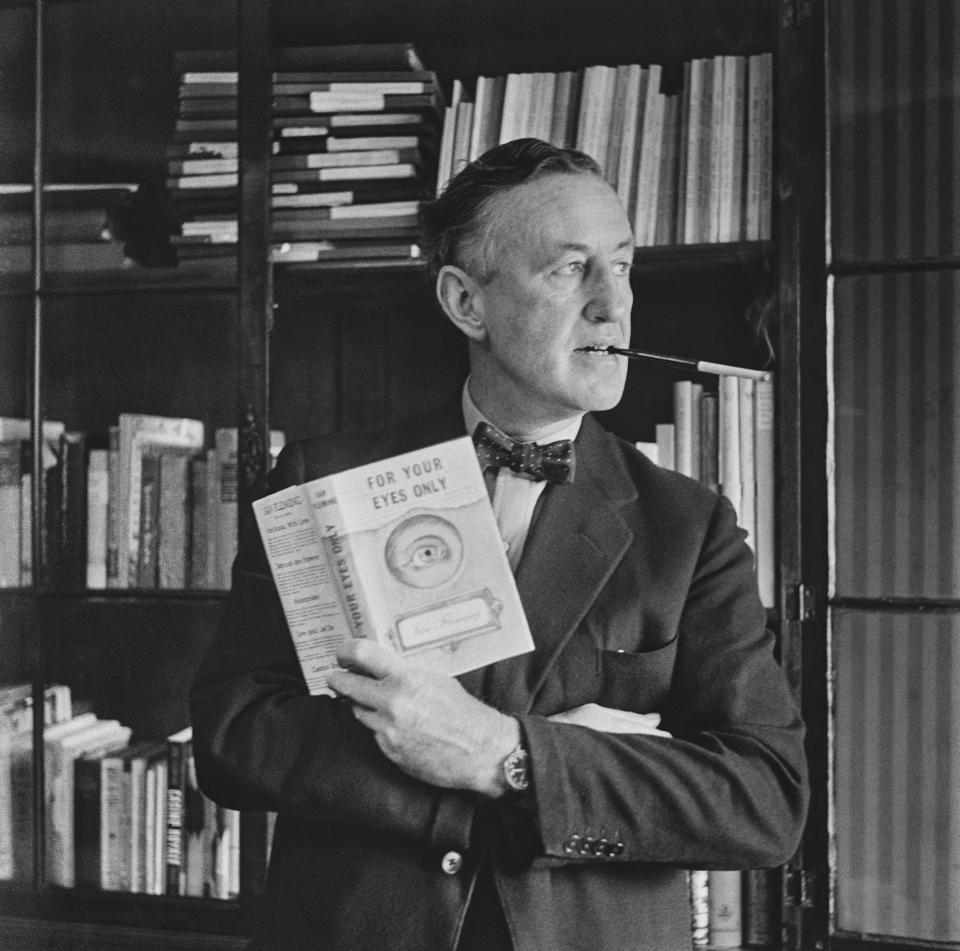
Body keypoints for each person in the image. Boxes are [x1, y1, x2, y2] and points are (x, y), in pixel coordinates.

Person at [191, 138, 808, 951]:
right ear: (466, 302)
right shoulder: (323, 479)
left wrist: (503, 755)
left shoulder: (691, 526)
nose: (613, 304)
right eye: (569, 269)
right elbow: (235, 736)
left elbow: (765, 799)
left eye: (622, 266)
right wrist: (553, 759)